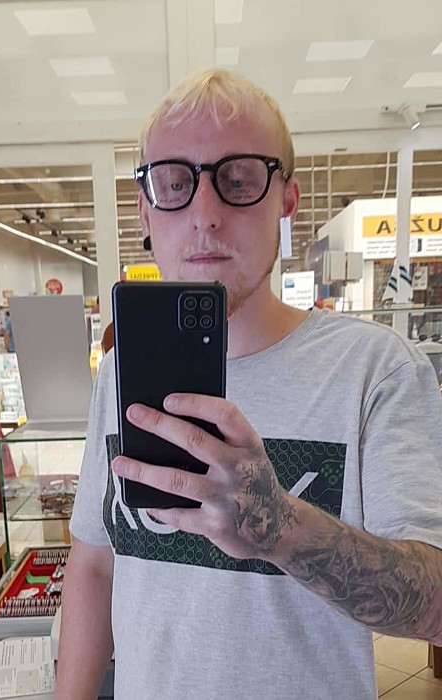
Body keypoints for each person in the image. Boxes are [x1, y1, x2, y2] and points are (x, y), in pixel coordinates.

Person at [56, 69, 442, 700]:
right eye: (175, 183)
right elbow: (95, 564)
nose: (205, 216)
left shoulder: (375, 370)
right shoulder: (120, 372)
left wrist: (280, 527)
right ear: (145, 211)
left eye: (238, 181)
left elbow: (434, 605)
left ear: (286, 200)